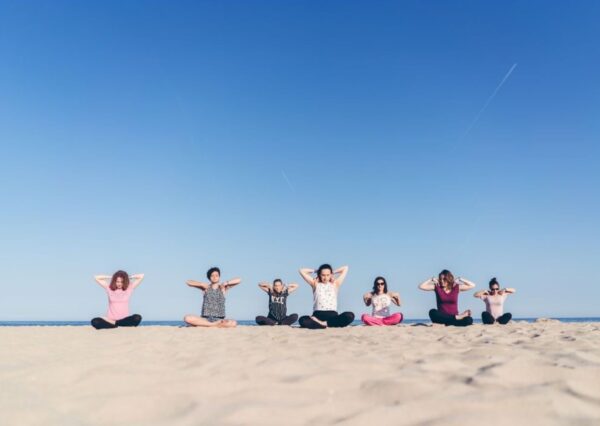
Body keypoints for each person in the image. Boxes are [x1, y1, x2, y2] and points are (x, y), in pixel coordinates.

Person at [298, 264, 355, 329]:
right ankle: (324, 324)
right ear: (319, 274)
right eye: (323, 275)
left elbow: (345, 268)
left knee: (350, 315)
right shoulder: (315, 283)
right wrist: (316, 270)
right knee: (302, 320)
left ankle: (324, 324)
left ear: (331, 275)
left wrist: (333, 272)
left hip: (333, 317)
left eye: (328, 275)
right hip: (317, 316)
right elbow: (301, 271)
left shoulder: (335, 284)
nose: (325, 277)